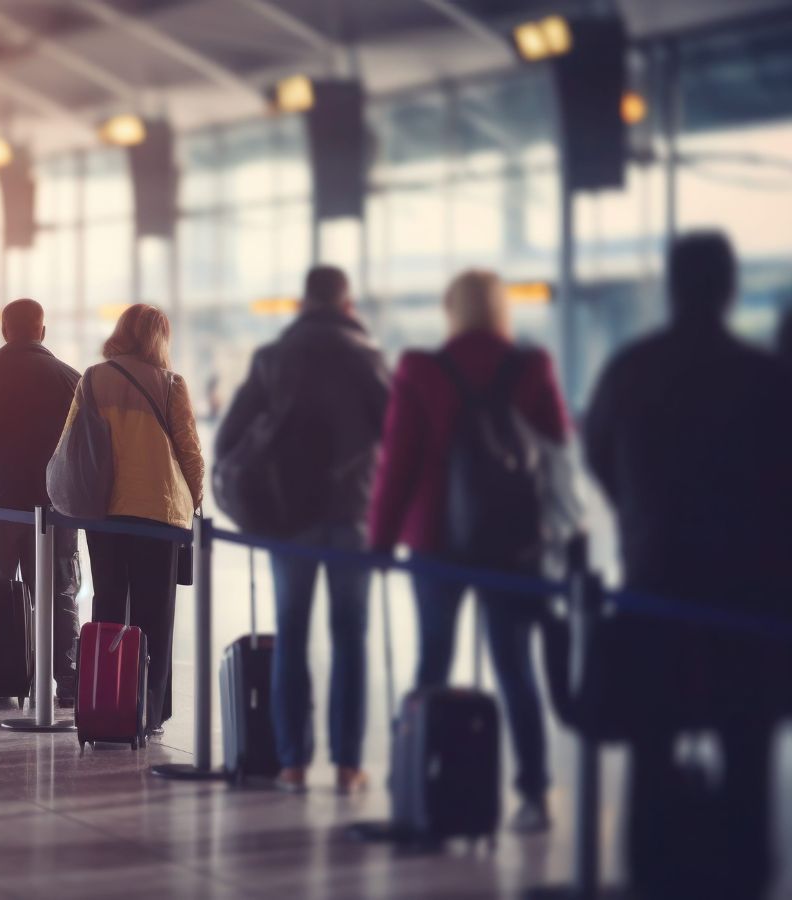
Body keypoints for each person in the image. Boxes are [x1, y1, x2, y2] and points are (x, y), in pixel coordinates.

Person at [583, 232, 792, 899]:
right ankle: (746, 877)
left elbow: (597, 456)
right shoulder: (765, 377)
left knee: (652, 744)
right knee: (747, 750)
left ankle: (650, 873)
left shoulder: (629, 369)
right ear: (729, 288)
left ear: (671, 286)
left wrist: (640, 521)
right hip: (747, 603)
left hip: (656, 592)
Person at [367, 268, 569, 834]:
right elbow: (557, 455)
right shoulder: (532, 369)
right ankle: (534, 794)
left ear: (451, 309)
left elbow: (397, 464)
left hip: (436, 543)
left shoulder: (422, 370)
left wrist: (380, 542)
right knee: (515, 669)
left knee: (431, 660)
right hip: (512, 546)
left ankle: (415, 773)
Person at [215, 265, 390, 794]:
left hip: (289, 520)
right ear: (346, 302)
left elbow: (229, 442)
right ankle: (348, 764)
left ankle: (292, 761)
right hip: (352, 516)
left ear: (303, 302)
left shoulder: (275, 358)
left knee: (291, 634)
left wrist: (259, 508)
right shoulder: (367, 357)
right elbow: (399, 436)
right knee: (350, 635)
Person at [61, 304, 203, 730]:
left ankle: (105, 701)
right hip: (159, 512)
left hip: (104, 511)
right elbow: (190, 454)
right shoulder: (171, 385)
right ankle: (149, 712)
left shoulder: (93, 378)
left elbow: (71, 440)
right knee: (154, 612)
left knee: (106, 604)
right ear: (159, 339)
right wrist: (193, 501)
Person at [0, 300, 82, 703]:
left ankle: (0, 680)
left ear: (5, 331)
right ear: (42, 331)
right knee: (59, 591)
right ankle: (69, 682)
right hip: (56, 502)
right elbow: (81, 445)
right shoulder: (70, 378)